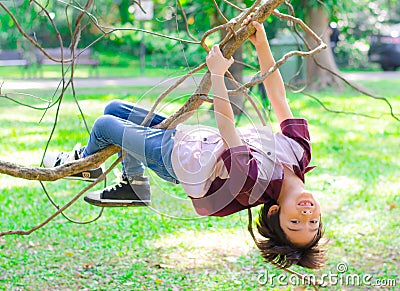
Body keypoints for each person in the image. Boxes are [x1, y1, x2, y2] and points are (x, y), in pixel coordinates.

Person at [44, 16, 327, 269]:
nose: (306, 214)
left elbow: (228, 128)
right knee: (115, 109)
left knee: (104, 126)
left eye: (295, 223)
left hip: (175, 158)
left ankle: (85, 165)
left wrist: (216, 74)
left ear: (275, 212)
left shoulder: (253, 183)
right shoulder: (299, 152)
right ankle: (134, 184)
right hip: (190, 139)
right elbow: (279, 97)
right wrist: (261, 44)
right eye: (312, 222)